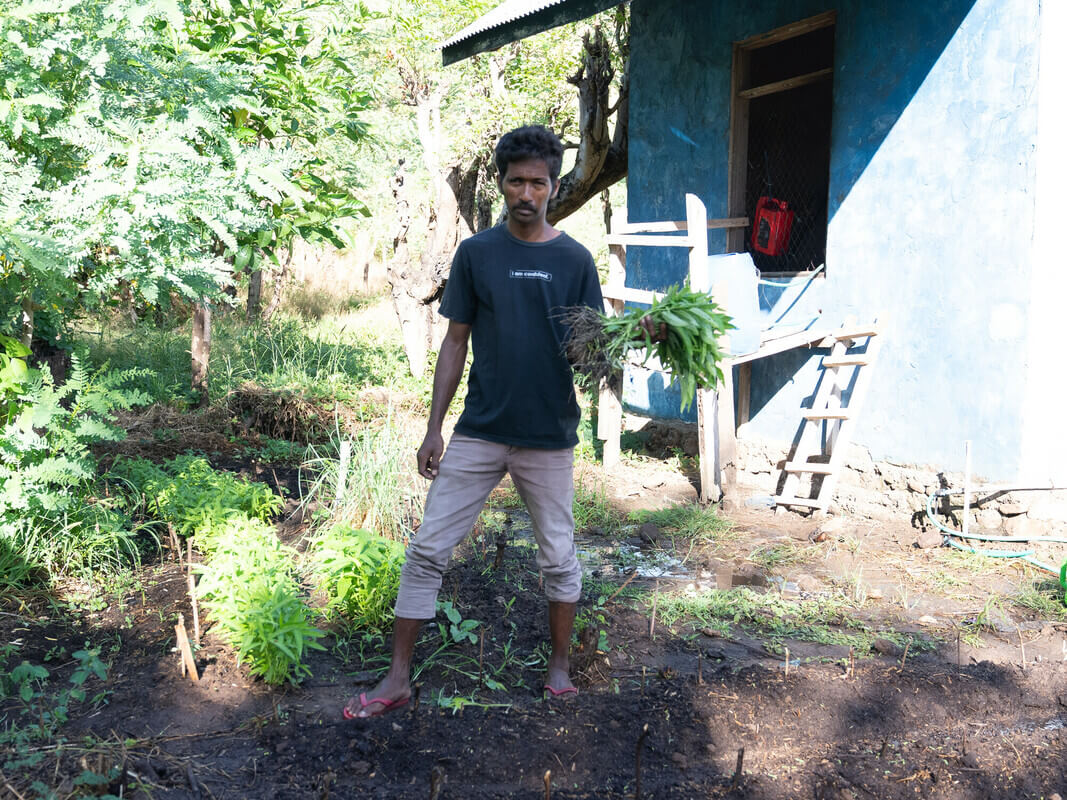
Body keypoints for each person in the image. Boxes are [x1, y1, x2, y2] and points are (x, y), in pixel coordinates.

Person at [343, 125, 602, 719]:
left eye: (538, 182)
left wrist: (630, 338)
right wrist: (433, 428)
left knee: (559, 558)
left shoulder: (574, 259)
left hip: (548, 437)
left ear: (553, 186)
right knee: (428, 548)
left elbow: (586, 353)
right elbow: (454, 341)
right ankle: (398, 678)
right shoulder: (477, 253)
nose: (527, 193)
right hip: (480, 430)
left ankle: (560, 669)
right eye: (517, 181)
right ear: (502, 184)